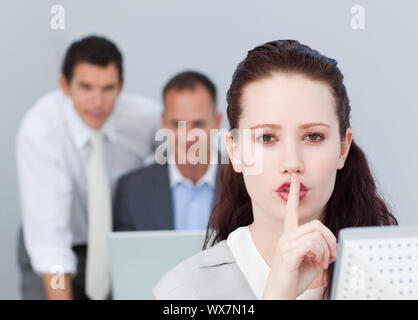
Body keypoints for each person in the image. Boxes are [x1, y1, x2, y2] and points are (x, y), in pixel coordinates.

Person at [153, 40, 398, 300]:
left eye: (313, 137)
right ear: (235, 151)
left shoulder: (390, 279)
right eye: (267, 138)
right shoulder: (184, 292)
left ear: (342, 148)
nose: (292, 163)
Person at [16, 35, 161, 300]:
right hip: (53, 247)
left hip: (111, 246)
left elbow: (187, 149)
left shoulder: (143, 118)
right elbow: (51, 244)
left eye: (108, 88)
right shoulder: (40, 133)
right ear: (65, 85)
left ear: (121, 86)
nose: (97, 102)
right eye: (86, 87)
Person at [113, 71, 223, 231]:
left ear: (217, 121)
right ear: (163, 122)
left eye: (198, 124)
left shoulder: (246, 184)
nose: (188, 137)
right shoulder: (132, 191)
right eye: (177, 124)